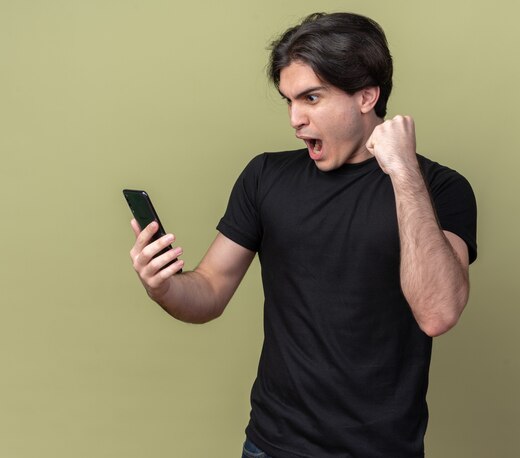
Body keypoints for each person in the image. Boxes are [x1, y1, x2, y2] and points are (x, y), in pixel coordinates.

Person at [129, 12, 477, 458]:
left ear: (367, 96)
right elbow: (210, 291)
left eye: (311, 98)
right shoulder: (265, 177)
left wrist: (404, 171)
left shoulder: (441, 188)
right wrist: (162, 286)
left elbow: (438, 313)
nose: (295, 119)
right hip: (271, 446)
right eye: (289, 100)